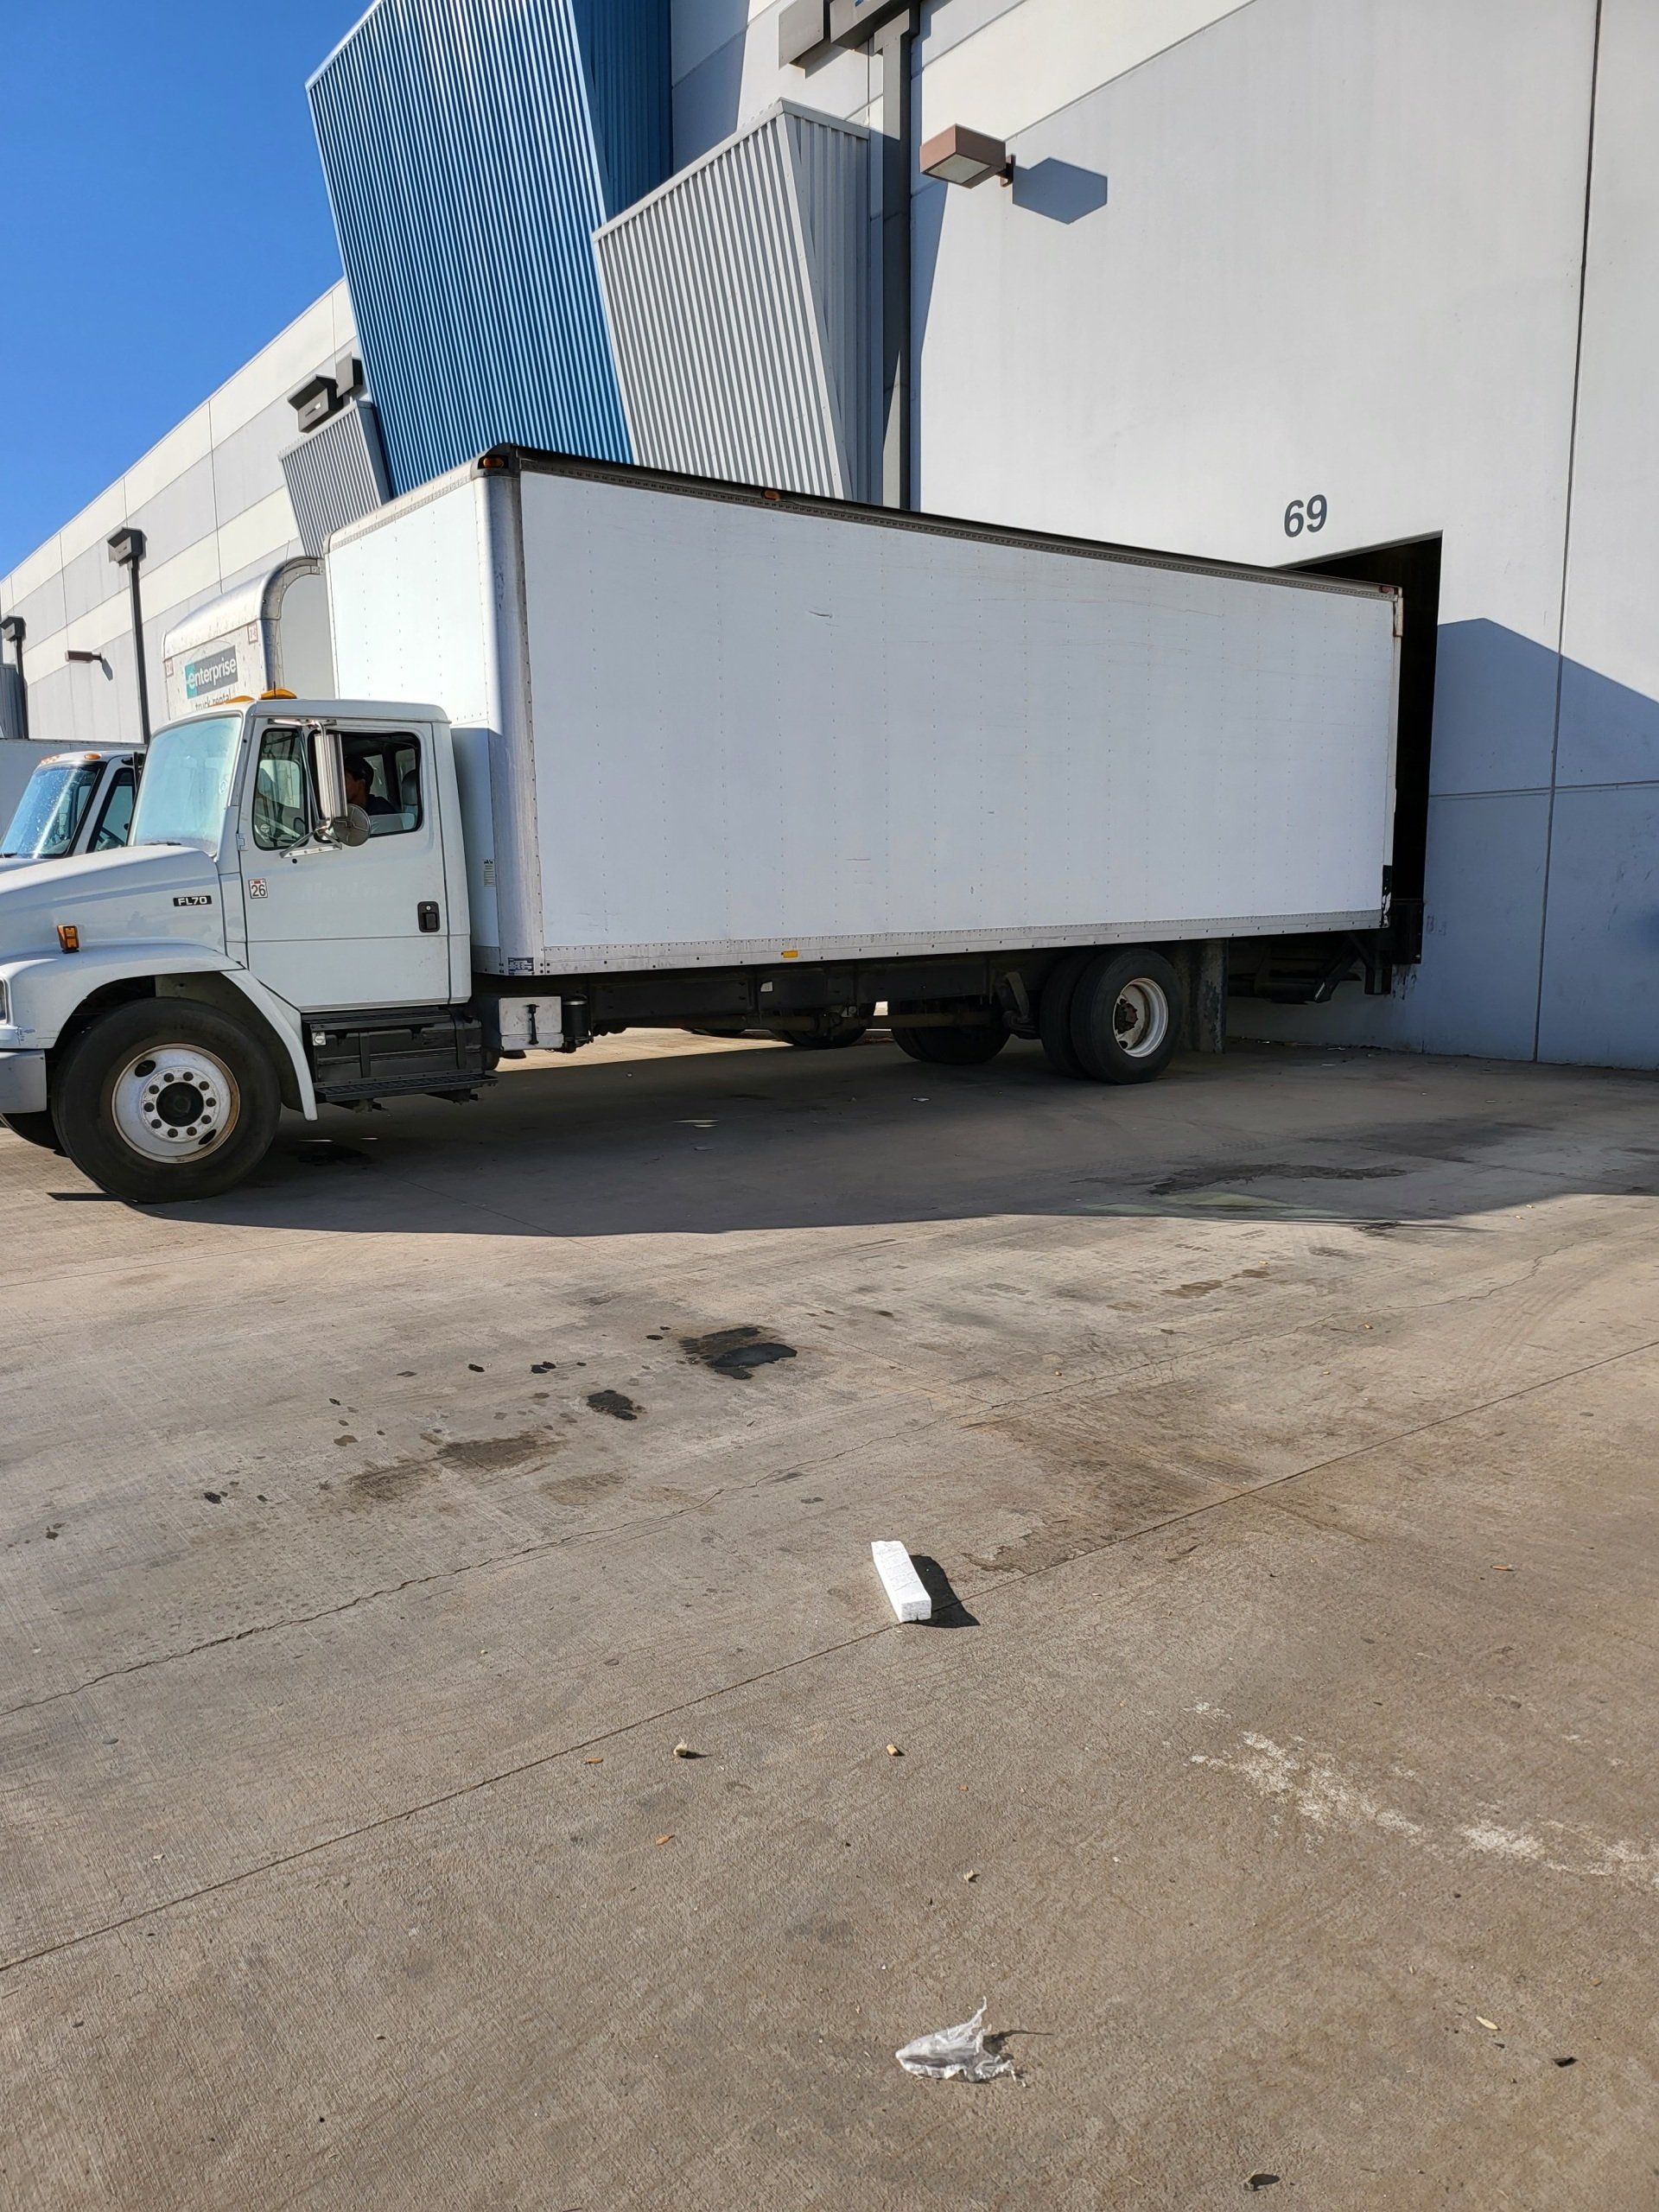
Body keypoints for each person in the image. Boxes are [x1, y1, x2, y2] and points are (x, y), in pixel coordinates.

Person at [344, 757, 397, 821]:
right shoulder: (341, 811)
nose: (340, 787)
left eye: (345, 781)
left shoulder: (381, 810)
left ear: (361, 784)